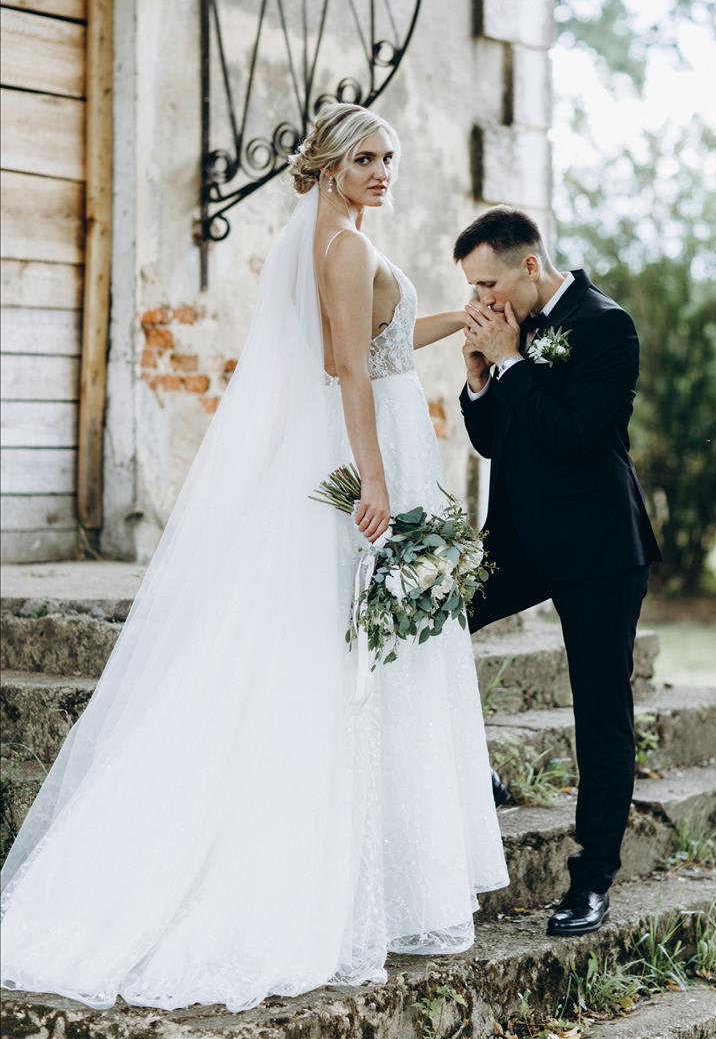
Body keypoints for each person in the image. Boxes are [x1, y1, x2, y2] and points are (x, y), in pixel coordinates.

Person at [0, 105, 508, 1013]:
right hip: (368, 454)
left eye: (390, 157)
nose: (383, 170)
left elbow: (379, 342)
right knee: (342, 656)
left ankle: (372, 870)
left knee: (361, 653)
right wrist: (375, 480)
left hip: (375, 439)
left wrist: (455, 322)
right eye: (366, 157)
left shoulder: (332, 238)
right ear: (331, 164)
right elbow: (349, 368)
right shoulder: (345, 246)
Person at [455, 206, 662, 938]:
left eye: (487, 283)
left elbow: (574, 437)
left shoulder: (608, 326)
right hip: (518, 542)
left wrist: (512, 362)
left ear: (529, 266)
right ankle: (465, 767)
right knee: (432, 624)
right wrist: (481, 379)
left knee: (600, 711)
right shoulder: (511, 328)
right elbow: (494, 441)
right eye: (473, 287)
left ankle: (592, 879)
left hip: (599, 550)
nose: (479, 299)